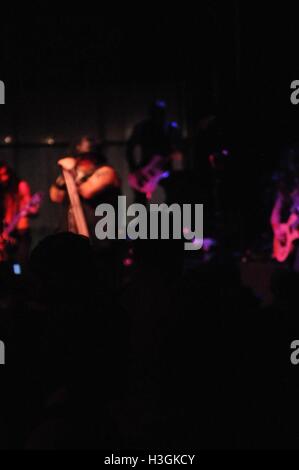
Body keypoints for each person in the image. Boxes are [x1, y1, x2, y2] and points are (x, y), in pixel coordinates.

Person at [49, 136, 121, 248]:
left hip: (100, 241)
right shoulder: (71, 176)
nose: (81, 162)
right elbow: (55, 196)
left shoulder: (107, 172)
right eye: (79, 158)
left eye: (85, 158)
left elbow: (87, 191)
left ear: (95, 158)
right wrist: (65, 175)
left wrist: (72, 173)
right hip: (72, 238)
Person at [126, 100, 183, 203]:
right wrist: (135, 169)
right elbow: (129, 148)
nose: (158, 116)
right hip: (145, 170)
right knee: (141, 201)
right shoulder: (142, 127)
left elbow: (178, 149)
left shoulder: (171, 128)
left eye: (160, 112)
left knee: (171, 199)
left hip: (165, 170)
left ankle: (169, 218)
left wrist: (177, 152)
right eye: (156, 112)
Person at [0, 162, 39, 263]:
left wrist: (28, 209)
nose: (4, 178)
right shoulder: (4, 190)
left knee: (20, 262)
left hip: (21, 231)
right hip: (6, 232)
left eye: (5, 174)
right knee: (7, 263)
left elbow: (32, 208)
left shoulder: (21, 186)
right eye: (0, 175)